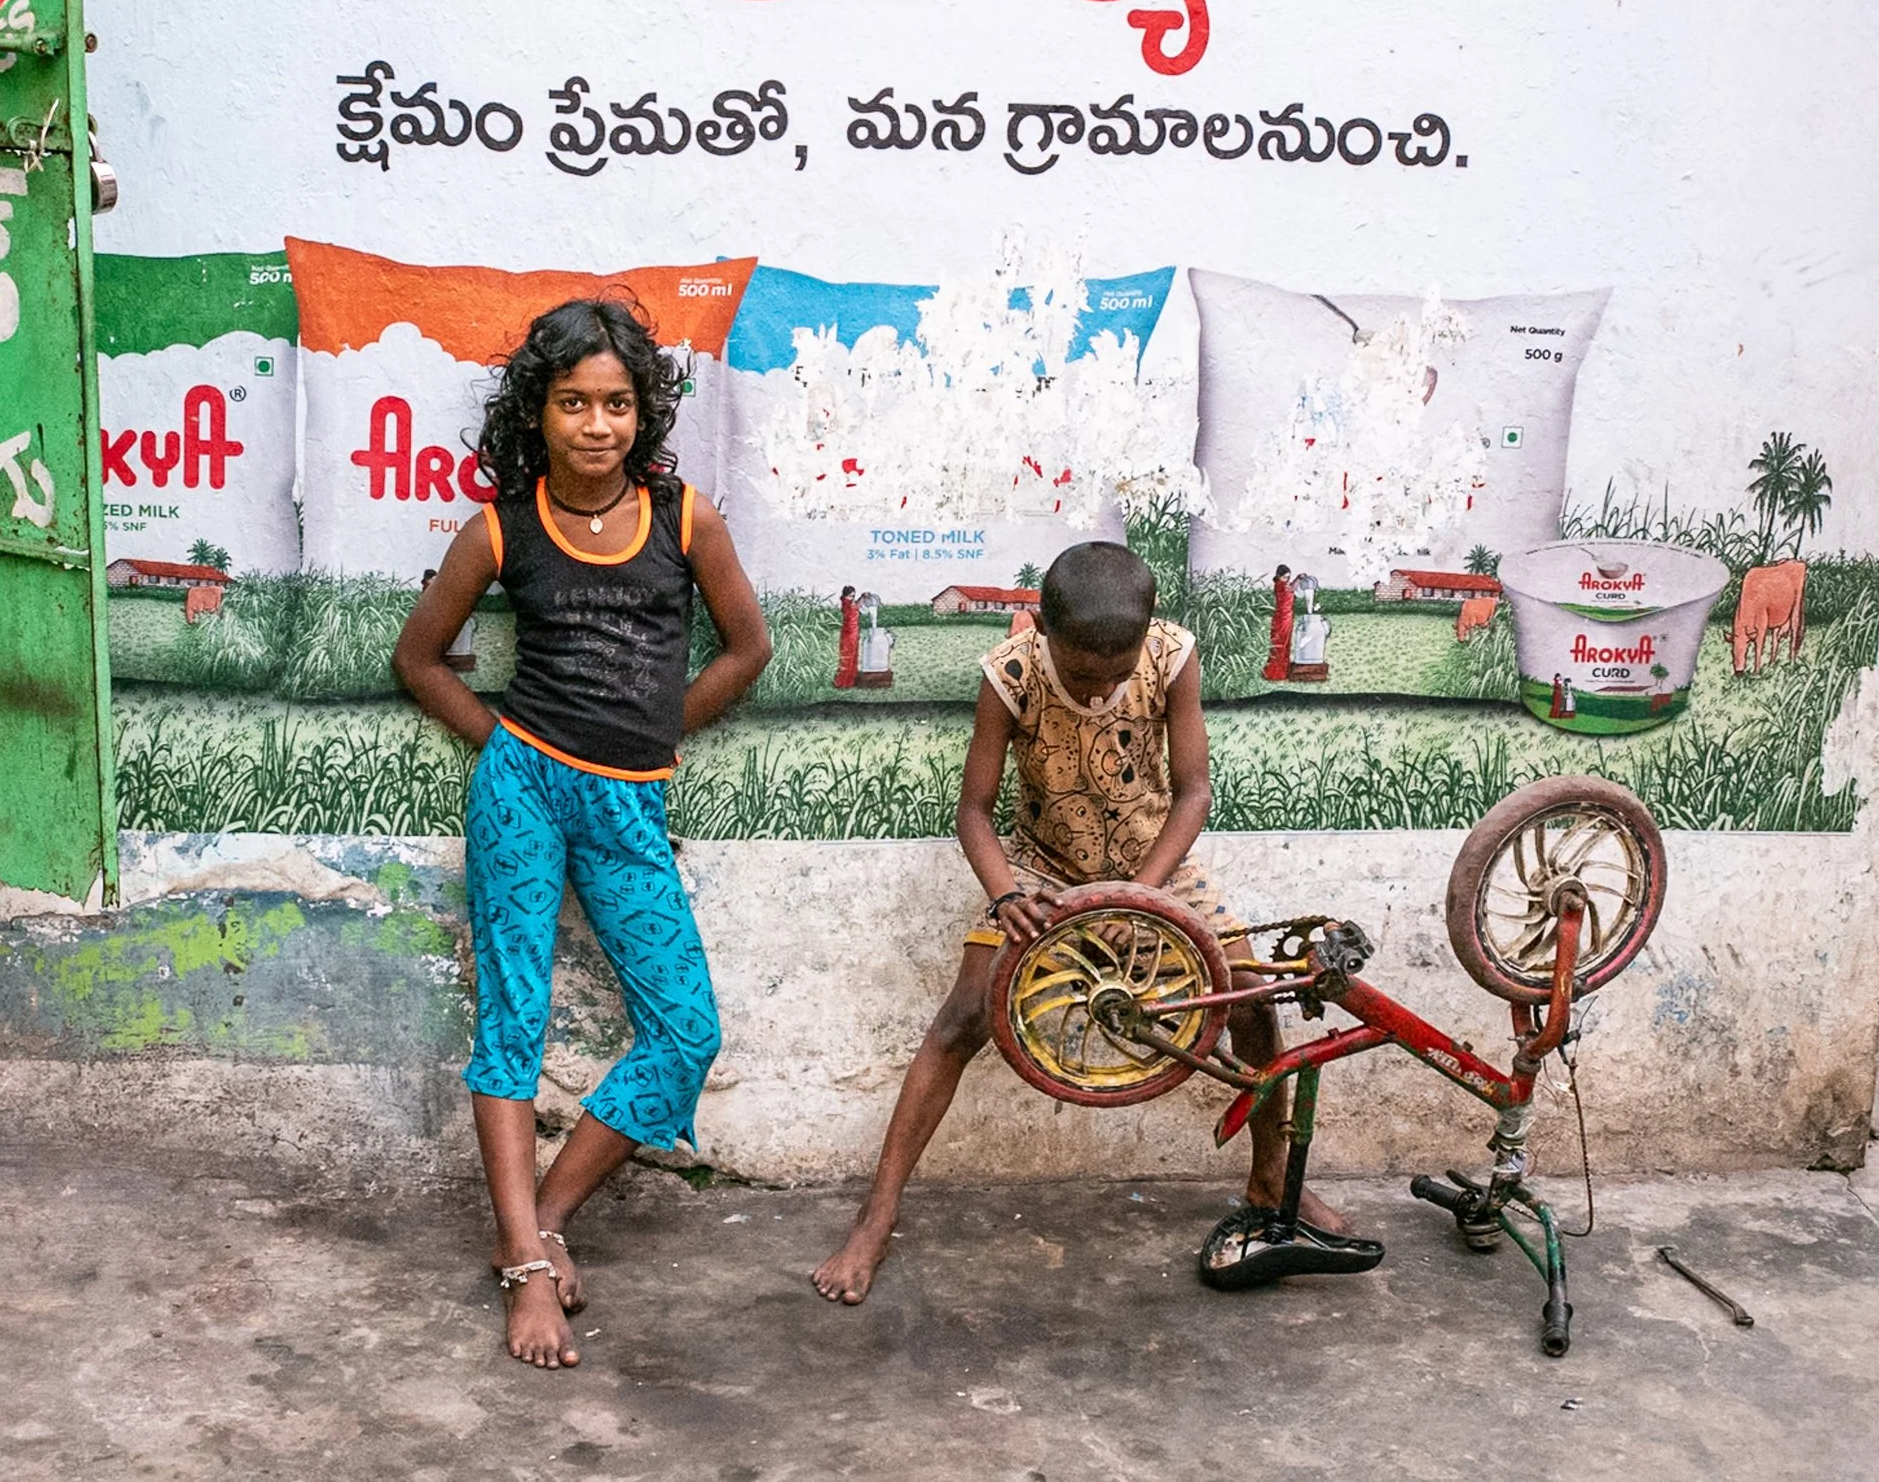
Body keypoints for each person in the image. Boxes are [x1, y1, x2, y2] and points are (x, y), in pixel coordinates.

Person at [811, 541, 1346, 1305]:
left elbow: (1193, 794)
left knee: (1252, 999)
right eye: (1084, 674)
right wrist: (1004, 895)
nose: (1100, 692)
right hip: (1041, 870)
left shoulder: (1171, 658)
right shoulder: (1012, 674)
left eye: (1115, 674)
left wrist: (1138, 894)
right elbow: (973, 812)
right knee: (963, 1018)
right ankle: (876, 1216)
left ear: (1147, 636)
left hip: (1155, 866)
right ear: (1041, 630)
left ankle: (1269, 1182)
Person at [393, 297, 772, 1371]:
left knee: (684, 1030)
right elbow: (419, 658)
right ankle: (522, 1264)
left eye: (616, 402)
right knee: (514, 1020)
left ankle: (543, 1215)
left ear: (643, 411)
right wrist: (506, 749)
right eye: (573, 402)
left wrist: (655, 732)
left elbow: (747, 649)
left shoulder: (684, 518)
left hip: (627, 802)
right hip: (521, 789)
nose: (596, 424)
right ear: (538, 412)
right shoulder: (502, 528)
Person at [1262, 562, 1295, 680]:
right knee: (1280, 645)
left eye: (1288, 577)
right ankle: (1275, 673)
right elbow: (1291, 588)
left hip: (1287, 617)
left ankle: (1284, 671)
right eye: (1285, 577)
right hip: (1282, 618)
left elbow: (1291, 588)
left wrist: (1296, 579)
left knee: (1286, 644)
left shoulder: (1283, 584)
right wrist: (1297, 579)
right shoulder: (1280, 585)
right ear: (1279, 576)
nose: (1287, 579)